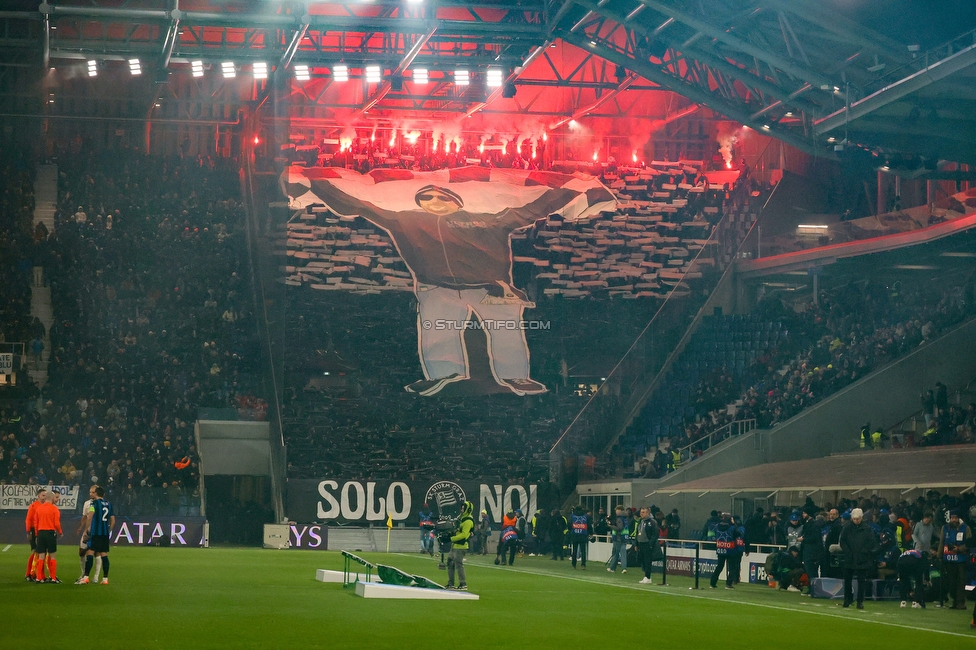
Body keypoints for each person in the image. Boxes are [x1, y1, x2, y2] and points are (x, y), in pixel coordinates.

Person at [282, 166, 614, 396]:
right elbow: (359, 201)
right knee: (436, 330)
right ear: (418, 201)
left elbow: (534, 206)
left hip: (492, 287)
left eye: (442, 199)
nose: (435, 203)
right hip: (436, 285)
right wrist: (316, 184)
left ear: (458, 202)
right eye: (428, 199)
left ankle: (517, 377)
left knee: (507, 333)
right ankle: (441, 376)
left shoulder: (488, 218)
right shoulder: (402, 218)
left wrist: (570, 192)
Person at [839, 508, 879, 609]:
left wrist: (864, 551)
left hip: (862, 558)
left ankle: (860, 601)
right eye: (854, 519)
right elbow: (842, 541)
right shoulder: (847, 528)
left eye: (858, 519)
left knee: (862, 581)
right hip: (850, 557)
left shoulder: (867, 529)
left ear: (861, 518)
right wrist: (847, 552)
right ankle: (847, 599)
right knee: (847, 580)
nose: (856, 520)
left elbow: (872, 542)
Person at [77, 485, 114, 585]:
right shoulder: (109, 504)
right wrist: (108, 530)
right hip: (104, 534)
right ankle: (105, 579)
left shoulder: (94, 503)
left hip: (96, 532)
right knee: (104, 554)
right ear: (104, 494)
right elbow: (113, 520)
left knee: (90, 552)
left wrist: (86, 531)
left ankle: (86, 577)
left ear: (96, 493)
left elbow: (90, 516)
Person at [940, 510, 970, 609]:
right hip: (948, 560)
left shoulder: (966, 528)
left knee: (961, 582)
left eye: (955, 518)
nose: (954, 520)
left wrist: (960, 549)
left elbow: (970, 543)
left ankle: (960, 602)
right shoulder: (945, 528)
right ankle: (954, 600)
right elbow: (942, 542)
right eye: (952, 518)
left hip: (961, 560)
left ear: (959, 518)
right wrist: (939, 556)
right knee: (951, 583)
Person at [33, 488, 63, 583]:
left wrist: (37, 535)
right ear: (52, 498)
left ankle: (39, 577)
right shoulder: (55, 509)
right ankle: (53, 578)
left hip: (41, 533)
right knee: (52, 556)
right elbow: (57, 523)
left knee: (41, 556)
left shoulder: (39, 508)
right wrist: (60, 532)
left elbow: (35, 523)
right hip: (50, 533)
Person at [76, 485, 103, 583]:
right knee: (81, 552)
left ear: (97, 493)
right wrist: (80, 527)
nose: (91, 494)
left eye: (93, 492)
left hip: (96, 531)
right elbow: (85, 517)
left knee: (97, 553)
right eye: (90, 492)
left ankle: (96, 576)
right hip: (88, 530)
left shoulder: (100, 503)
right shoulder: (87, 503)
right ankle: (83, 573)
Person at [446, 501, 474, 591]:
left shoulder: (468, 521)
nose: (461, 510)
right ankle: (451, 583)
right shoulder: (461, 518)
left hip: (461, 546)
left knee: (458, 565)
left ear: (468, 509)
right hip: (455, 545)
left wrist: (451, 539)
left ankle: (463, 583)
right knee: (450, 563)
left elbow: (464, 535)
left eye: (463, 508)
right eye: (461, 508)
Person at [709, 513, 740, 590]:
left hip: (720, 549)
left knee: (719, 567)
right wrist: (734, 524)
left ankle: (713, 583)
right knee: (732, 568)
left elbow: (713, 534)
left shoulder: (717, 526)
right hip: (731, 550)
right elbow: (738, 533)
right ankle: (728, 584)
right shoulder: (732, 528)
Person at [24, 488, 46, 582]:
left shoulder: (45, 506)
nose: (44, 497)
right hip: (34, 530)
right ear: (38, 496)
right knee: (35, 552)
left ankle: (37, 573)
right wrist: (28, 531)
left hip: (41, 530)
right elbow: (28, 519)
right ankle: (28, 573)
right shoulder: (33, 506)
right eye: (43, 495)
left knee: (41, 553)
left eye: (45, 495)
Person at [635, 507, 659, 585]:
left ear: (648, 513)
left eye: (643, 512)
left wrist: (650, 544)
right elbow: (637, 533)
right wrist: (636, 543)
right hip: (641, 543)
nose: (641, 514)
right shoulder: (640, 522)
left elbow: (655, 534)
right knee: (642, 560)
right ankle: (646, 576)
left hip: (647, 544)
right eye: (641, 512)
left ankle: (648, 577)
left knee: (647, 561)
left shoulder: (652, 522)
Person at [607, 504, 629, 574]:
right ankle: (624, 568)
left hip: (618, 537)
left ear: (619, 510)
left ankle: (612, 568)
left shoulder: (619, 518)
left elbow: (619, 528)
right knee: (623, 553)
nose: (616, 511)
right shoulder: (625, 518)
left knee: (616, 553)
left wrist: (611, 526)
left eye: (616, 510)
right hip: (624, 537)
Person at [568, 505, 591, 569]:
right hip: (583, 535)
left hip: (574, 535)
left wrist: (571, 531)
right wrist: (590, 533)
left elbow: (569, 524)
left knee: (574, 551)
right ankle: (583, 564)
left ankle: (573, 564)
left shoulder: (572, 516)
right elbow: (589, 525)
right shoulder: (586, 516)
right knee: (583, 551)